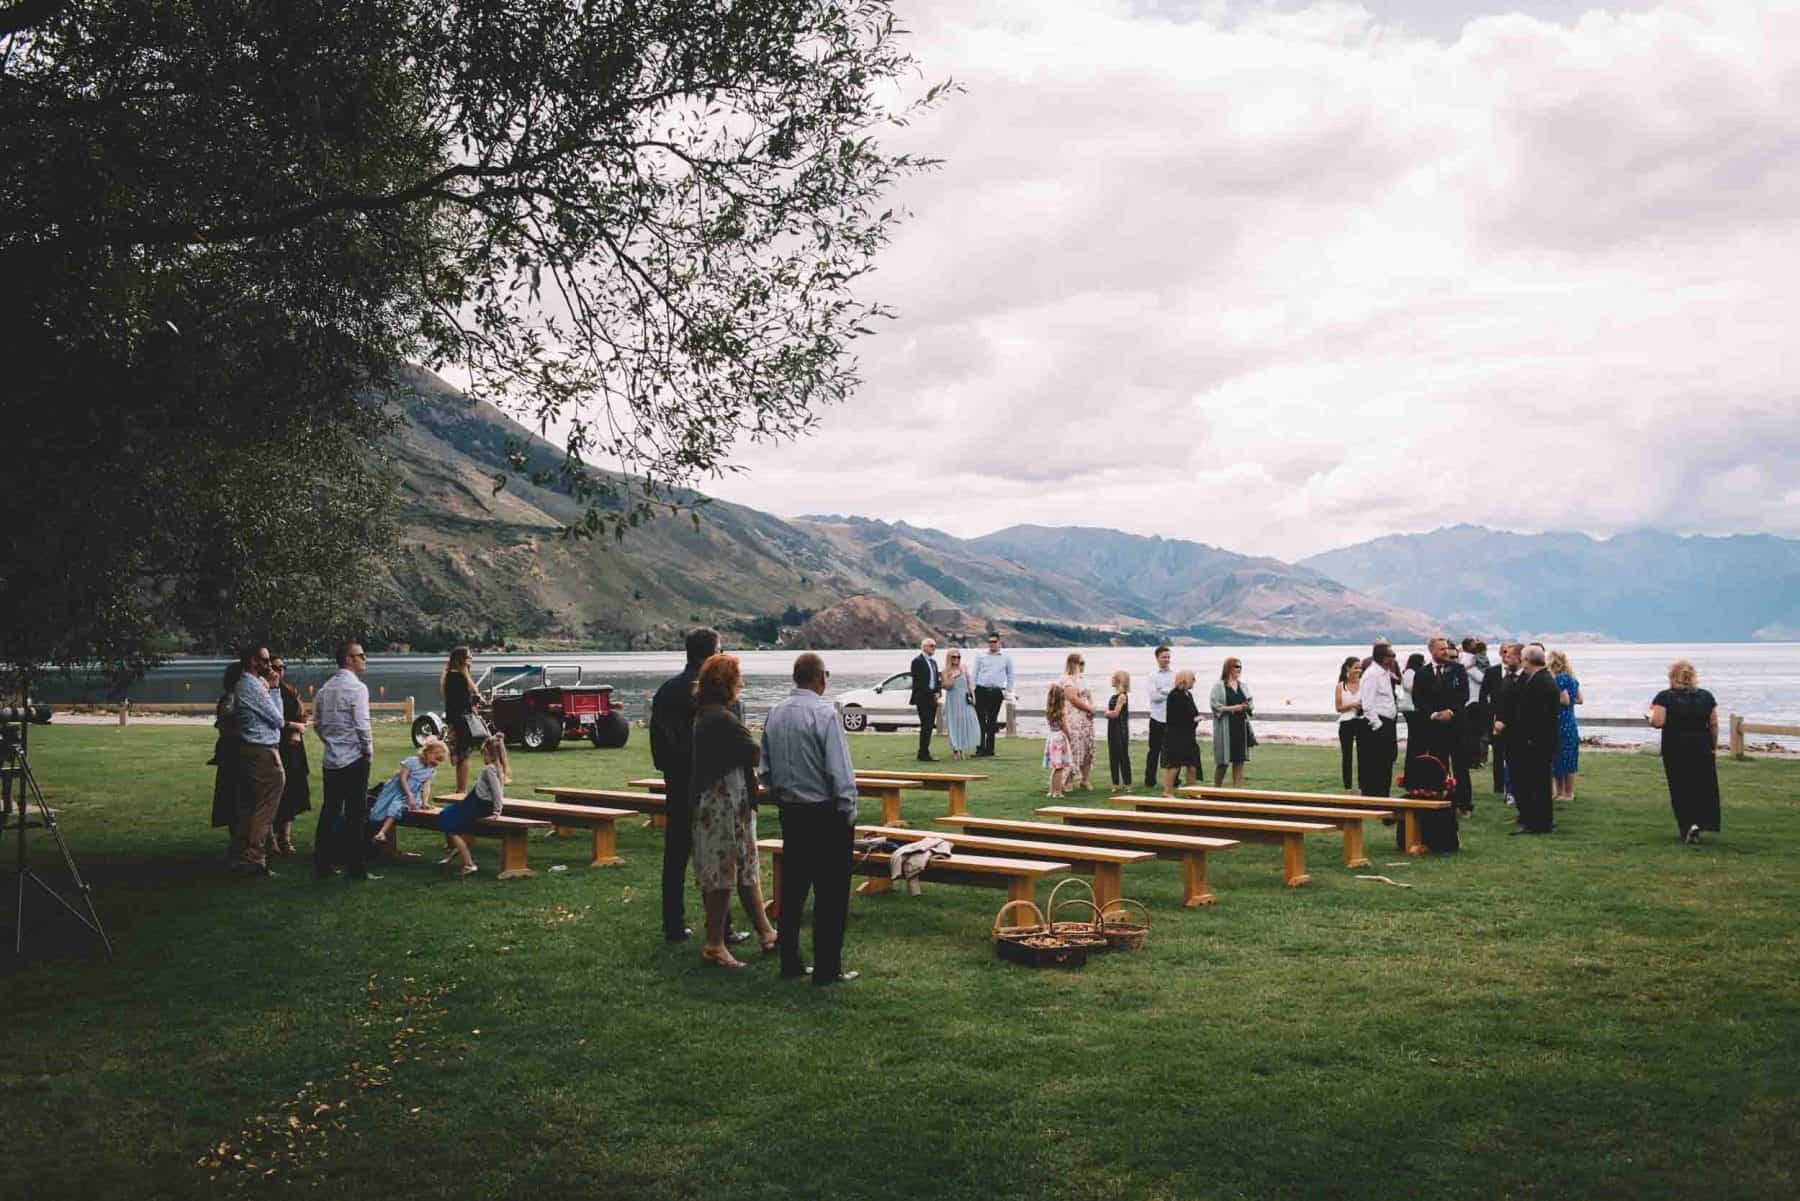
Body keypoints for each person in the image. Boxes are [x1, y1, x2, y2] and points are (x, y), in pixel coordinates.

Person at [762, 653, 860, 985]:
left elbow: (765, 769)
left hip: (792, 812)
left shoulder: (775, 713)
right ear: (820, 678)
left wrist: (780, 793)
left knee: (793, 891)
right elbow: (839, 770)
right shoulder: (824, 714)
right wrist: (848, 810)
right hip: (825, 813)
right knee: (831, 895)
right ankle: (827, 968)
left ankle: (789, 960)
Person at [651, 628, 746, 945]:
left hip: (677, 784)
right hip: (710, 785)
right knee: (719, 856)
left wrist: (670, 770)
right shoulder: (715, 694)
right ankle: (723, 928)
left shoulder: (665, 691)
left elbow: (657, 745)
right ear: (713, 653)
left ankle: (672, 925)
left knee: (675, 857)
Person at [689, 654, 778, 968]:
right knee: (723, 873)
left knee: (744, 868)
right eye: (738, 677)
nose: (742, 682)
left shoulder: (708, 714)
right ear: (726, 682)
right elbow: (756, 753)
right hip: (721, 805)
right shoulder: (721, 719)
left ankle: (766, 931)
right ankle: (714, 944)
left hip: (728, 802)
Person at [312, 640, 375, 881]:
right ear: (348, 659)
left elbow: (317, 724)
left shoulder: (325, 689)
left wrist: (329, 741)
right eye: (361, 655)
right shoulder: (357, 689)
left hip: (331, 759)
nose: (364, 659)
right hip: (354, 757)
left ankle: (323, 863)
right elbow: (362, 724)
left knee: (330, 810)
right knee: (355, 814)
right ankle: (356, 867)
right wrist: (367, 750)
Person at [232, 645, 294, 877]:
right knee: (265, 808)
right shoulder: (252, 685)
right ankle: (254, 860)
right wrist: (276, 689)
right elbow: (278, 720)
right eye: (265, 660)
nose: (270, 665)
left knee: (249, 807)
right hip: (263, 752)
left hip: (251, 750)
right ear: (252, 661)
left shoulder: (248, 684)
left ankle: (239, 856)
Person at [1405, 637, 1467, 852]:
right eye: (1441, 649)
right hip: (1433, 726)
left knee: (1460, 765)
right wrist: (1432, 714)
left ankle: (1463, 803)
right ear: (1431, 651)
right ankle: (1441, 799)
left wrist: (1451, 711)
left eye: (1446, 648)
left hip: (1454, 724)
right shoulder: (1422, 673)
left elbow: (1463, 695)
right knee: (1439, 764)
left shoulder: (1458, 670)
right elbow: (1418, 698)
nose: (1445, 651)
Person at [1650, 660, 1720, 845]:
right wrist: (1713, 745)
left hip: (1676, 746)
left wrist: (1650, 720)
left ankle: (1686, 825)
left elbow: (1658, 722)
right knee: (1702, 786)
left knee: (1680, 786)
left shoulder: (1664, 697)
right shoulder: (1707, 697)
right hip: (1701, 745)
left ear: (1672, 677)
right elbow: (1713, 723)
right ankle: (1700, 821)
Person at [438, 733, 510, 876]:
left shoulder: (489, 769)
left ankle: (469, 864)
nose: (482, 758)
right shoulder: (499, 767)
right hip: (475, 801)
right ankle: (455, 852)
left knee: (449, 823)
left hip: (479, 804)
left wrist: (497, 811)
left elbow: (497, 792)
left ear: (488, 754)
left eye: (483, 754)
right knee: (447, 814)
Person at [1509, 645, 1561, 835]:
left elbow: (1540, 716)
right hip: (1538, 740)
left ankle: (1538, 822)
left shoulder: (1542, 681)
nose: (1521, 663)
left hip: (1538, 741)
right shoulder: (1539, 679)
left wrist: (1530, 738)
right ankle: (1539, 820)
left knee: (1537, 782)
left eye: (1523, 659)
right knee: (1537, 781)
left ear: (1528, 661)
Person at [367, 737, 447, 844]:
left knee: (395, 807)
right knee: (377, 812)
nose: (436, 763)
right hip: (396, 791)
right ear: (428, 753)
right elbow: (402, 778)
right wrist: (409, 795)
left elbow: (426, 787)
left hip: (410, 797)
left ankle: (382, 833)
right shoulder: (412, 762)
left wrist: (425, 802)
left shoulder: (430, 771)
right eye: (436, 759)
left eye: (439, 762)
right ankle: (370, 835)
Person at [268, 655, 310, 857]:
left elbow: (303, 714)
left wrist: (297, 731)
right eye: (275, 667)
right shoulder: (263, 692)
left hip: (293, 748)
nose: (279, 671)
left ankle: (286, 837)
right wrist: (291, 726)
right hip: (274, 746)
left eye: (282, 667)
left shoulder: (290, 691)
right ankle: (271, 839)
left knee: (292, 792)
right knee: (272, 793)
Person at [209, 661, 245, 860]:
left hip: (233, 753)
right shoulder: (231, 699)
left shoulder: (232, 698)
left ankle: (240, 845)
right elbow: (228, 723)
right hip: (234, 755)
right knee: (235, 799)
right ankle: (238, 847)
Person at [1356, 642, 1400, 800]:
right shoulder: (1372, 675)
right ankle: (1374, 798)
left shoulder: (1385, 673)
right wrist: (1379, 726)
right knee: (1377, 764)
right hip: (1377, 725)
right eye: (1392, 656)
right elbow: (1367, 704)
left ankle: (1383, 797)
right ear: (1383, 657)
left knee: (1387, 763)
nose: (1394, 659)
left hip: (1388, 721)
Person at [441, 646, 480, 796]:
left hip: (454, 719)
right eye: (469, 657)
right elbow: (473, 692)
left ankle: (460, 790)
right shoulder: (459, 677)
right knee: (464, 756)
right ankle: (461, 791)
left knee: (460, 756)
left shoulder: (448, 676)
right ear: (461, 660)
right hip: (462, 720)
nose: (471, 660)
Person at [1209, 657, 1253, 788]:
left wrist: (1246, 706)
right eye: (1236, 666)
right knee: (1223, 762)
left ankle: (1237, 791)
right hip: (1225, 727)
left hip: (1240, 726)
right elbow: (1215, 706)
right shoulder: (1218, 686)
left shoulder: (1243, 686)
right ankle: (1216, 789)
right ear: (1228, 668)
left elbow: (1250, 703)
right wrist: (1234, 708)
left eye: (1240, 667)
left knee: (1239, 760)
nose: (1238, 669)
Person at [970, 633, 1014, 757]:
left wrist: (1007, 692)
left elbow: (1010, 676)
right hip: (981, 690)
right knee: (980, 720)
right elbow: (975, 673)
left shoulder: (1006, 658)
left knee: (992, 721)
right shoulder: (981, 656)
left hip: (996, 692)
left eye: (994, 641)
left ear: (1000, 642)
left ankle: (990, 750)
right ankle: (980, 748)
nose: (992, 644)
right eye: (990, 641)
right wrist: (972, 690)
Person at [1161, 670, 1203, 796]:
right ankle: (1167, 792)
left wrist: (1196, 718)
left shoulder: (1188, 695)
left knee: (1192, 763)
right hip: (1175, 735)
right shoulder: (1174, 695)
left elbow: (1193, 712)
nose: (1194, 681)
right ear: (1185, 680)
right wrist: (1193, 719)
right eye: (1192, 678)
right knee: (1174, 764)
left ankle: (1192, 791)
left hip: (1189, 735)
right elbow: (1176, 717)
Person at [1489, 643, 1523, 803]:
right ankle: (1509, 791)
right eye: (1504, 655)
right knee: (1506, 760)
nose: (1505, 659)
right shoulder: (1507, 678)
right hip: (1504, 728)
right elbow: (1500, 702)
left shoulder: (1525, 679)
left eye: (1509, 656)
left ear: (1519, 658)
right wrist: (1497, 720)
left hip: (1519, 729)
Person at [1058, 652, 1096, 790]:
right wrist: (1089, 708)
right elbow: (1073, 699)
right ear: (1073, 664)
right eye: (1081, 663)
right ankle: (1068, 780)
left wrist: (1092, 707)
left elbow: (1089, 694)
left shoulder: (1082, 679)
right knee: (1073, 747)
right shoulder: (1066, 679)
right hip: (1073, 718)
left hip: (1086, 718)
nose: (1083, 666)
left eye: (1084, 663)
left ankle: (1085, 779)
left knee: (1088, 748)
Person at [1549, 650, 1583, 801]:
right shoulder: (1572, 678)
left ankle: (1567, 793)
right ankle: (1560, 792)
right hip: (1570, 720)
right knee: (1563, 758)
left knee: (1563, 758)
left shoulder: (1559, 679)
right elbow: (1579, 699)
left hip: (1561, 721)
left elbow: (1565, 700)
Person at [1143, 645, 1173, 787]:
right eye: (1164, 657)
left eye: (1168, 657)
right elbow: (1153, 696)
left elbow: (1176, 694)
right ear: (1157, 658)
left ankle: (1173, 780)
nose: (1166, 659)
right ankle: (1150, 780)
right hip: (1157, 718)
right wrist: (1168, 691)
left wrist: (1163, 691)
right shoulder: (1152, 676)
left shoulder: (1174, 674)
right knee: (1154, 751)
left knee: (1172, 751)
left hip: (1172, 719)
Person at [942, 648, 980, 759]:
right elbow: (946, 686)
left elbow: (969, 684)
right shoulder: (945, 670)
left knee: (967, 722)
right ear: (949, 658)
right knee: (954, 724)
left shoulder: (964, 668)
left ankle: (962, 747)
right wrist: (953, 677)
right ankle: (955, 749)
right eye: (954, 657)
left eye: (958, 657)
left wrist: (973, 697)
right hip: (953, 699)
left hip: (964, 699)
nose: (956, 659)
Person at [909, 637, 941, 761]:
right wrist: (931, 693)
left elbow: (936, 680)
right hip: (922, 698)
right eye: (931, 646)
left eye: (935, 646)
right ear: (924, 647)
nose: (934, 648)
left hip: (933, 698)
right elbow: (918, 682)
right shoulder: (917, 661)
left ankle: (924, 751)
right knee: (926, 725)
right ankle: (923, 753)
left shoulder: (933, 662)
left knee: (929, 725)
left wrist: (937, 691)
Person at [1334, 658, 1362, 791]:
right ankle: (1348, 788)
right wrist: (1353, 705)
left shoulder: (1364, 684)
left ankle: (1363, 786)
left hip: (1362, 723)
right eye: (1355, 667)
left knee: (1363, 756)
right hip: (1346, 723)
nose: (1358, 670)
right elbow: (1338, 708)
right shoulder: (1340, 686)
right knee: (1347, 756)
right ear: (1348, 669)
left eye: (1359, 668)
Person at [1042, 684, 1072, 797]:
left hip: (1052, 737)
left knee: (1055, 767)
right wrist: (1069, 737)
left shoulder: (1049, 711)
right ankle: (1057, 791)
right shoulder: (1061, 712)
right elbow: (1064, 727)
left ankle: (1051, 790)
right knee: (1059, 768)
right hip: (1059, 738)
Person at [1104, 670, 1132, 790]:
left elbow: (1115, 713)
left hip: (1120, 729)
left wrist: (1107, 713)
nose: (1111, 680)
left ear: (1118, 680)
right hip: (1112, 728)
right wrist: (1109, 713)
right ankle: (1115, 782)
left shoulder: (1122, 696)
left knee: (1122, 755)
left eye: (1113, 678)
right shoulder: (1113, 696)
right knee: (1113, 755)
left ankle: (1127, 783)